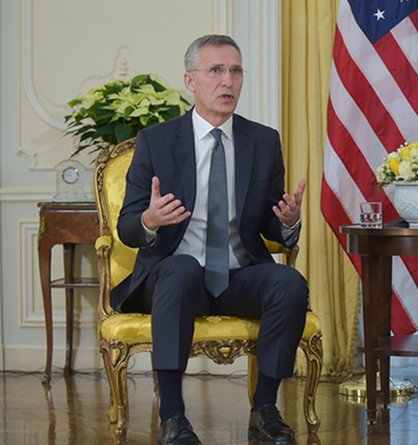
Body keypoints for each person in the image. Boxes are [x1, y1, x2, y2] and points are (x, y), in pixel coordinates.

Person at [114, 34, 308, 445]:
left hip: (238, 274)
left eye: (236, 71)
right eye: (216, 70)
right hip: (173, 278)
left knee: (289, 282)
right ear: (191, 80)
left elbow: (270, 224)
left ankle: (266, 409)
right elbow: (127, 226)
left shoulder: (263, 140)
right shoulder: (158, 140)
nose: (228, 81)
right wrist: (149, 219)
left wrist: (288, 221)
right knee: (184, 268)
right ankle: (172, 416)